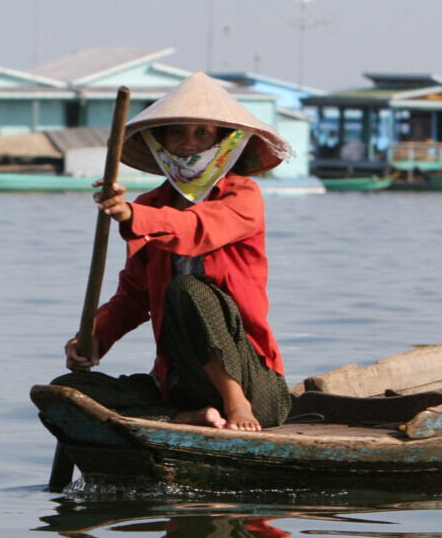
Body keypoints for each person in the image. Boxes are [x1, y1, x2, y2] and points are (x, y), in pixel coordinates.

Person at [51, 72, 294, 431]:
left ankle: (234, 402)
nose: (187, 143)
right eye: (177, 132)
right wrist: (91, 338)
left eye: (202, 133)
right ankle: (187, 418)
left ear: (224, 143)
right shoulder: (151, 205)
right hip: (181, 386)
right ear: (161, 142)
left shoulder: (242, 196)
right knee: (67, 390)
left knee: (186, 292)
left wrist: (132, 214)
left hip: (255, 387)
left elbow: (198, 228)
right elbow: (133, 297)